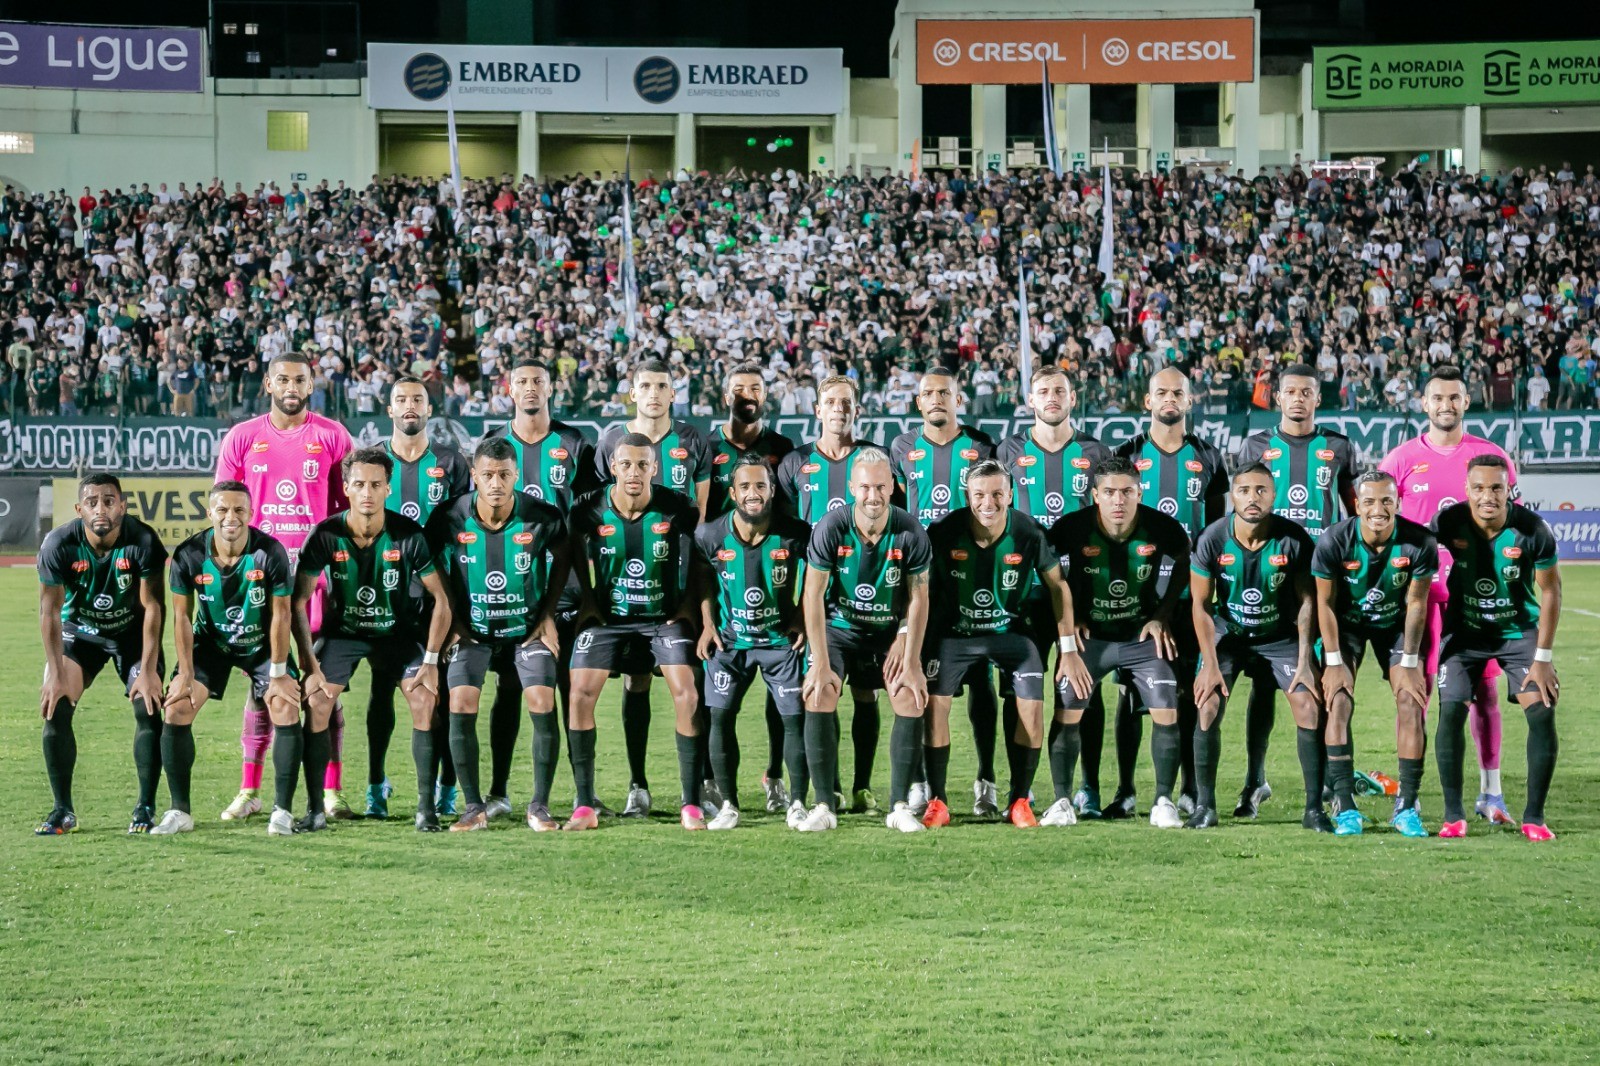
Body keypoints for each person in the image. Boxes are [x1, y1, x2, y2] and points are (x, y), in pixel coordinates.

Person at [214, 351, 353, 821]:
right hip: (260, 581)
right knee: (261, 689)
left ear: (311, 385)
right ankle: (249, 790)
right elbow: (223, 512)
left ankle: (332, 791)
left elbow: (345, 509)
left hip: (317, 582)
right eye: (282, 380)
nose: (291, 387)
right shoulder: (242, 438)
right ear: (268, 385)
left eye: (300, 380)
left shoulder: (333, 437)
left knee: (321, 689)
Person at [1379, 365, 1519, 825]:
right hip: (1417, 599)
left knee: (1486, 694)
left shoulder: (1491, 456)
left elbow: (1509, 523)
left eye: (1454, 398)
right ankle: (1413, 795)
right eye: (1437, 398)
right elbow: (1383, 529)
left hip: (1475, 601)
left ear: (1466, 401)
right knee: (1415, 692)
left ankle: (1491, 792)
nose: (1446, 406)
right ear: (1424, 404)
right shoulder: (1399, 460)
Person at [290, 448, 451, 834]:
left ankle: (425, 810)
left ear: (387, 488)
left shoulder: (408, 534)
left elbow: (442, 600)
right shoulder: (326, 534)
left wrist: (429, 661)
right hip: (343, 634)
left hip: (397, 633)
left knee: (425, 697)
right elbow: (297, 602)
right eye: (359, 484)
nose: (367, 493)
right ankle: (314, 809)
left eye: (376, 485)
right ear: (346, 488)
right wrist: (309, 665)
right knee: (316, 702)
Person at [924, 460, 1077, 828]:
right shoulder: (944, 532)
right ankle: (938, 801)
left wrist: (1068, 648)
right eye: (979, 495)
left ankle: (1019, 800)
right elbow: (920, 586)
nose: (987, 503)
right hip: (955, 633)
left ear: (1010, 494)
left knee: (1032, 707)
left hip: (1011, 633)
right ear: (967, 497)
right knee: (935, 706)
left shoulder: (1028, 531)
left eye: (996, 494)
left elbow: (1058, 586)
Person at [1231, 363, 1356, 817]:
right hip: (1266, 582)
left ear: (1317, 398)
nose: (1298, 398)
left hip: (1320, 581)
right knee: (1262, 685)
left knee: (1329, 682)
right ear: (1277, 398)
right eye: (1290, 392)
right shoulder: (1256, 445)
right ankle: (1254, 780)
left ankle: (1330, 782)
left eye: (1307, 391)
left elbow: (1352, 510)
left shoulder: (1338, 446)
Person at [429, 437, 571, 832]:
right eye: (488, 475)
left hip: (526, 630)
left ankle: (539, 806)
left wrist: (547, 615)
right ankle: (473, 807)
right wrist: (454, 617)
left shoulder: (542, 516)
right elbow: (432, 564)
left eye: (504, 475)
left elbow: (564, 557)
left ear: (516, 476)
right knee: (460, 702)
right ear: (474, 476)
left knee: (542, 700)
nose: (496, 483)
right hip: (473, 631)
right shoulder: (449, 517)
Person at [481, 358, 599, 820]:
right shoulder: (493, 443)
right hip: (510, 591)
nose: (530, 389)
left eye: (539, 382)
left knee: (572, 689)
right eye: (522, 382)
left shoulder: (574, 444)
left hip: (566, 587)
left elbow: (589, 517)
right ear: (509, 389)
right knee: (510, 688)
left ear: (551, 388)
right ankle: (498, 792)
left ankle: (580, 794)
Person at [593, 359, 713, 814]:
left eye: (663, 385)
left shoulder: (692, 439)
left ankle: (701, 781)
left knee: (691, 680)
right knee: (637, 679)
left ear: (673, 391)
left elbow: (699, 517)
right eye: (646, 385)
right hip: (626, 588)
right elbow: (605, 512)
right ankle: (637, 784)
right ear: (632, 391)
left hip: (678, 584)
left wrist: (692, 590)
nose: (655, 393)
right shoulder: (610, 440)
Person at [566, 434, 703, 830]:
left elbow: (701, 558)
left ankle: (690, 804)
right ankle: (583, 805)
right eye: (626, 464)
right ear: (613, 468)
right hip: (610, 619)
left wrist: (687, 607)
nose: (634, 472)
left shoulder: (677, 507)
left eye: (643, 465)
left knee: (688, 692)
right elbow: (572, 554)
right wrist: (589, 600)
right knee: (578, 694)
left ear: (654, 469)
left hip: (662, 618)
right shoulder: (588, 508)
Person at [1108, 368, 1227, 819]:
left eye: (1178, 392)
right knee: (1129, 694)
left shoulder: (1209, 457)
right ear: (1148, 399)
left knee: (1189, 691)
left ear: (1190, 399)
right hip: (1136, 597)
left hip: (1189, 597)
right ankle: (1125, 789)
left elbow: (1214, 529)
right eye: (1162, 392)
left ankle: (1190, 789)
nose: (1170, 399)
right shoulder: (1128, 453)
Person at [1047, 457, 1191, 828]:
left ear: (1139, 493)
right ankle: (1062, 800)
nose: (1118, 500)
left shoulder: (1162, 527)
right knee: (1068, 708)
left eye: (1127, 492)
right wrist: (1070, 619)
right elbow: (1049, 574)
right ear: (1095, 495)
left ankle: (1162, 801)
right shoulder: (1071, 529)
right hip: (1090, 639)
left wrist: (1163, 614)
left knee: (1166, 709)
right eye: (1109, 492)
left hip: (1139, 637)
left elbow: (1186, 559)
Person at [997, 365, 1114, 817]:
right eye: (1043, 390)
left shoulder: (1094, 450)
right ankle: (1015, 791)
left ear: (1072, 397)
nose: (1051, 397)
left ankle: (1088, 788)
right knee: (1016, 688)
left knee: (1088, 686)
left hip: (1080, 593)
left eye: (1059, 391)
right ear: (1030, 400)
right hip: (1020, 592)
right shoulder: (1008, 450)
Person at [800, 449, 933, 833]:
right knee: (819, 691)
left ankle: (899, 806)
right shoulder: (830, 527)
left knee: (908, 695)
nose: (873, 495)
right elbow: (812, 596)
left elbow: (919, 597)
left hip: (888, 633)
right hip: (839, 630)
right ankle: (824, 804)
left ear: (893, 486)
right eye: (865, 487)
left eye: (880, 486)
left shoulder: (910, 530)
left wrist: (909, 655)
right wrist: (821, 662)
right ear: (852, 488)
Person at [1432, 456, 1562, 842]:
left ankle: (1534, 818)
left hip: (1517, 632)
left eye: (1496, 488)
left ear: (1509, 490)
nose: (1487, 496)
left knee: (1541, 713)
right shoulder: (1449, 522)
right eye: (1479, 488)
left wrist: (1543, 658)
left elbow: (1551, 591)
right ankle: (1453, 816)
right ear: (1466, 490)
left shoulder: (1532, 530)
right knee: (1450, 711)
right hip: (1465, 633)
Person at [1189, 464, 1324, 832]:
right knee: (1208, 703)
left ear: (1274, 494)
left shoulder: (1293, 538)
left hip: (1279, 635)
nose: (1253, 497)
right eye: (1245, 490)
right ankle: (1205, 807)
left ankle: (1314, 811)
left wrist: (1304, 661)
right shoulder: (1212, 539)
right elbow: (1200, 606)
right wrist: (1210, 664)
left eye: (1261, 490)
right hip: (1229, 633)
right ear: (1233, 495)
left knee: (1307, 704)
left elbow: (1308, 601)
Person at [160, 482, 300, 836]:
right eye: (222, 510)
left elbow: (282, 615)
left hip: (262, 645)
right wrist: (186, 673)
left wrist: (280, 672)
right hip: (212, 643)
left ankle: (282, 811)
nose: (230, 517)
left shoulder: (271, 552)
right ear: (210, 514)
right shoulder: (189, 554)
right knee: (176, 707)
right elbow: (180, 617)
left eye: (239, 510)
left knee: (285, 705)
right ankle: (180, 812)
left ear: (251, 515)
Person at [890, 367, 999, 818]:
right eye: (929, 393)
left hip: (971, 576)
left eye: (945, 392)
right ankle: (919, 781)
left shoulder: (981, 445)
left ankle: (986, 779)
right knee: (924, 679)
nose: (937, 399)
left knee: (981, 679)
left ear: (959, 398)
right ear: (918, 402)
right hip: (922, 579)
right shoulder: (901, 447)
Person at [35, 474, 168, 835]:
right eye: (92, 502)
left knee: (149, 705)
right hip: (81, 635)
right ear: (79, 509)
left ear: (122, 506)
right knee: (56, 705)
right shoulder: (58, 544)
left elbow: (154, 607)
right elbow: (49, 613)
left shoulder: (143, 540)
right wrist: (55, 672)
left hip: (132, 636)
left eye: (109, 500)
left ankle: (145, 807)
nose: (101, 508)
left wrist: (150, 669)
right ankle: (62, 809)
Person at [776, 374, 882, 812]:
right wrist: (794, 608)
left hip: (870, 604)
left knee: (866, 694)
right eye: (830, 402)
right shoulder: (794, 465)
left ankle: (862, 785)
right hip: (815, 603)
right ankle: (828, 786)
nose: (839, 408)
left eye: (846, 402)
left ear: (857, 411)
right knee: (819, 688)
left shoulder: (873, 462)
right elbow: (779, 540)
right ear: (817, 410)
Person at [1311, 471, 1437, 838]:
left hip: (1395, 625)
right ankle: (1345, 804)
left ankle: (1407, 805)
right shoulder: (1335, 540)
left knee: (1411, 701)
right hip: (1346, 625)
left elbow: (1416, 604)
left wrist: (1411, 663)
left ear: (1398, 503)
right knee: (1338, 699)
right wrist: (1334, 663)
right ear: (1356, 505)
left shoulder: (1419, 541)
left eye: (1386, 501)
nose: (1378, 509)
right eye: (1369, 501)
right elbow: (1325, 603)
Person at [368, 376, 471, 819]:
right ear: (389, 410)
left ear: (430, 410)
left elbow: (466, 535)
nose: (410, 406)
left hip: (438, 600)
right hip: (383, 599)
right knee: (379, 693)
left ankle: (446, 788)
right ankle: (376, 783)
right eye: (401, 400)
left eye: (418, 400)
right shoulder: (372, 463)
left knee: (440, 695)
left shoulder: (451, 463)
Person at [693, 455, 810, 829]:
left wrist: (801, 615)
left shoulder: (796, 532)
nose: (753, 493)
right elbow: (704, 583)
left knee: (795, 721)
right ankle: (729, 804)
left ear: (772, 490)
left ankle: (797, 803)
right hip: (731, 644)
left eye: (760, 485)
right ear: (732, 493)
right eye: (745, 487)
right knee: (720, 717)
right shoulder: (710, 534)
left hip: (780, 644)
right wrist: (708, 624)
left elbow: (816, 576)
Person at [705, 363, 797, 815]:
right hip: (723, 580)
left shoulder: (782, 449)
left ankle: (777, 777)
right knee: (714, 700)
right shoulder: (707, 447)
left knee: (782, 702)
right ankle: (711, 784)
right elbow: (701, 514)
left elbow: (794, 525)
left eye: (755, 389)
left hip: (772, 578)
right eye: (739, 388)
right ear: (726, 396)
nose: (747, 394)